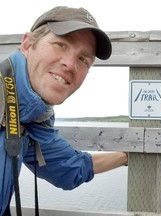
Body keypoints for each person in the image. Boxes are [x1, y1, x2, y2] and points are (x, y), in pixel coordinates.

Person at [0, 6, 128, 215]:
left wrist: (126, 157)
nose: (69, 64)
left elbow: (68, 168)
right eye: (60, 44)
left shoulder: (32, 117)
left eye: (83, 59)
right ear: (27, 44)